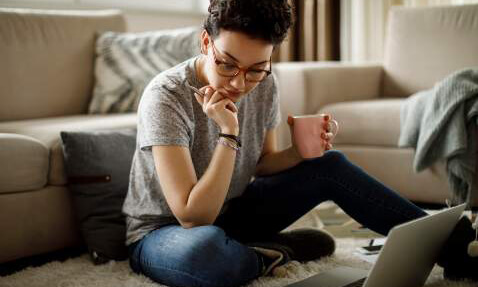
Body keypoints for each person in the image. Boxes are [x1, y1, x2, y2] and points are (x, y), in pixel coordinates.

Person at [122, 0, 477, 286]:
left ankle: (456, 245)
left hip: (234, 212)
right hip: (165, 233)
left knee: (330, 165)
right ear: (206, 42)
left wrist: (299, 153)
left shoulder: (264, 83)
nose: (240, 83)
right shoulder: (166, 96)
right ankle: (274, 252)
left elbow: (262, 164)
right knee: (204, 257)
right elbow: (192, 216)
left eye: (257, 68)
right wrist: (228, 134)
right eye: (228, 65)